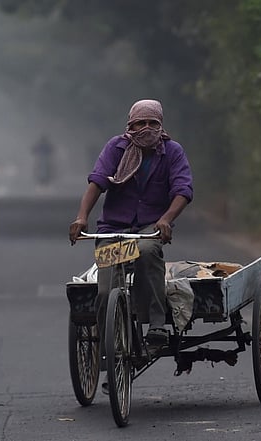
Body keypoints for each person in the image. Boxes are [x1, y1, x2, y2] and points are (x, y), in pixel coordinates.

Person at [68, 99, 193, 351]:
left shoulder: (173, 151)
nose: (146, 128)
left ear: (161, 125)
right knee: (105, 292)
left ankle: (157, 324)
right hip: (113, 229)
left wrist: (166, 219)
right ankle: (110, 349)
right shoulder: (117, 147)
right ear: (130, 125)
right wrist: (82, 217)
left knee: (147, 252)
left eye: (152, 123)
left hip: (149, 228)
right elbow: (97, 182)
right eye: (141, 123)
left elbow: (183, 190)